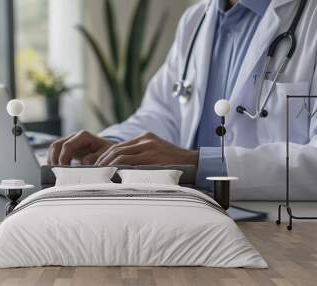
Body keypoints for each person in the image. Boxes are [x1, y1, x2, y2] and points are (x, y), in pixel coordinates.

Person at [48, 0, 317, 200]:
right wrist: (117, 148)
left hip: (283, 232)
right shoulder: (196, 19)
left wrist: (198, 162)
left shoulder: (310, 20)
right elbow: (161, 113)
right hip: (191, 215)